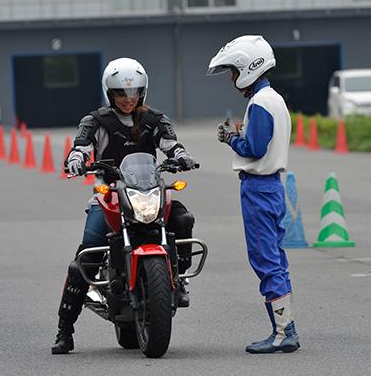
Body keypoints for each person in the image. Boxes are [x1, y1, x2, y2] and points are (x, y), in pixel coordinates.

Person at [52, 57, 198, 355]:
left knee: (182, 219)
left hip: (148, 188)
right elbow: (81, 145)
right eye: (121, 93)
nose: (128, 100)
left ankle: (178, 280)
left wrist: (182, 157)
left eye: (133, 93)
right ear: (110, 93)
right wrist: (76, 160)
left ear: (142, 92)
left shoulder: (155, 119)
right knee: (87, 254)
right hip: (110, 194)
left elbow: (171, 144)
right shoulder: (96, 121)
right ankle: (65, 330)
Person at [206, 35, 300, 354]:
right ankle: (287, 328)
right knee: (275, 258)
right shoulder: (274, 99)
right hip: (273, 186)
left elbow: (255, 149)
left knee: (265, 258)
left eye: (234, 71)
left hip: (258, 187)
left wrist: (232, 139)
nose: (232, 78)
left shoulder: (260, 102)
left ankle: (282, 333)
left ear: (248, 67)